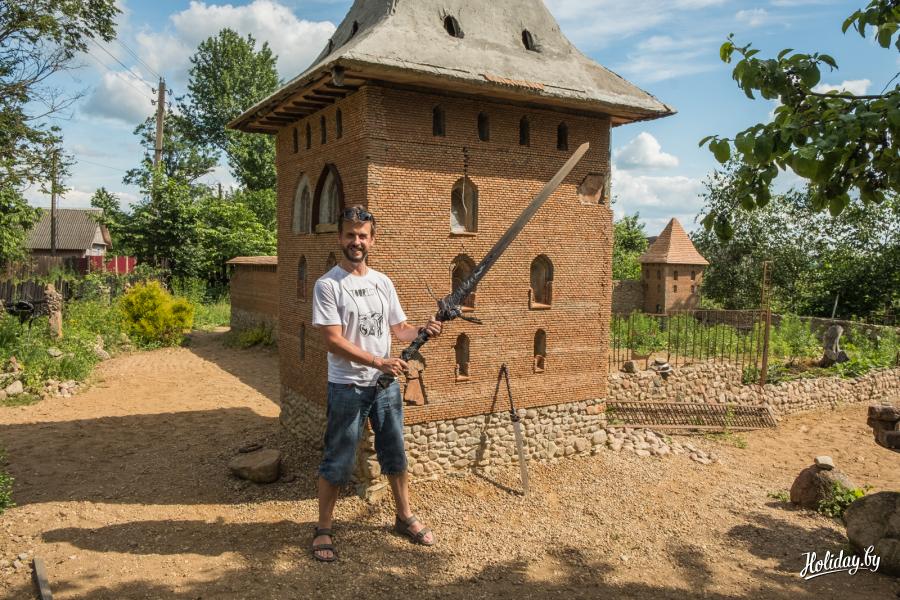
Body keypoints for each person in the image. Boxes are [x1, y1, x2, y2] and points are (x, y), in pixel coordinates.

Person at [310, 205, 441, 562]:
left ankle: (404, 516)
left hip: (385, 385)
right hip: (347, 386)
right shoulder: (328, 285)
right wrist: (378, 361)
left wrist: (424, 329)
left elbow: (400, 330)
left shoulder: (382, 282)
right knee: (338, 459)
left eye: (363, 236)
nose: (357, 241)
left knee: (395, 452)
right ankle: (323, 528)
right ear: (340, 238)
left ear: (372, 240)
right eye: (350, 235)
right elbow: (333, 341)